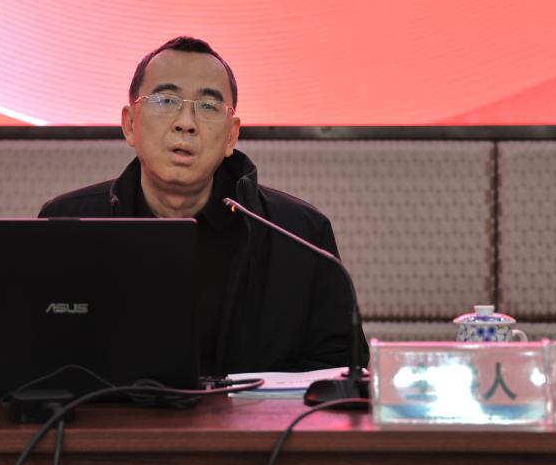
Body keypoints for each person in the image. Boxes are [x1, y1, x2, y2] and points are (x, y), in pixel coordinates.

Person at [39, 36, 366, 376]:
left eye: (208, 106)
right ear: (130, 124)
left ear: (231, 136)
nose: (186, 123)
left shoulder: (301, 235)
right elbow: (37, 361)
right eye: (166, 100)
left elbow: (340, 371)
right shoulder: (65, 225)